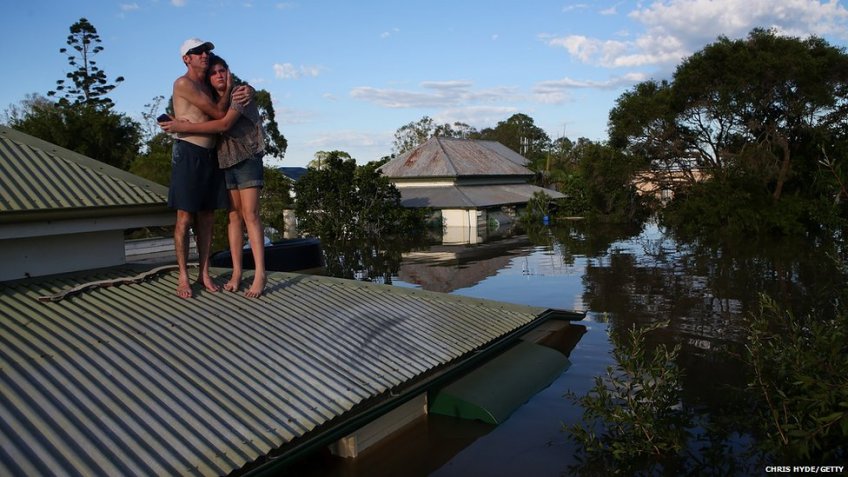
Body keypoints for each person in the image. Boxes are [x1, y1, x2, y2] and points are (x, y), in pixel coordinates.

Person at [161, 53, 267, 298]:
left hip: (246, 159)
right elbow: (203, 112)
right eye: (214, 72)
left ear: (229, 73)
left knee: (248, 215)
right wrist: (178, 122)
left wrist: (183, 126)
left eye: (222, 71)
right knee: (231, 216)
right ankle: (235, 273)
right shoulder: (208, 96)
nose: (219, 75)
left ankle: (259, 273)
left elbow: (223, 124)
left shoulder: (238, 93)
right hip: (223, 161)